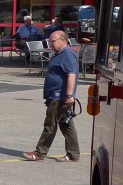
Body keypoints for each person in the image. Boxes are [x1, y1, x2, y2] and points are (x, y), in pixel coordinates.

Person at [23, 29, 81, 162]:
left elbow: (71, 75)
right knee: (66, 124)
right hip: (55, 96)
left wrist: (69, 95)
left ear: (63, 40)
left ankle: (39, 152)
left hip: (59, 97)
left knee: (50, 124)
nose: (50, 44)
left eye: (52, 41)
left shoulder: (67, 55)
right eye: (49, 41)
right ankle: (73, 154)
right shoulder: (59, 54)